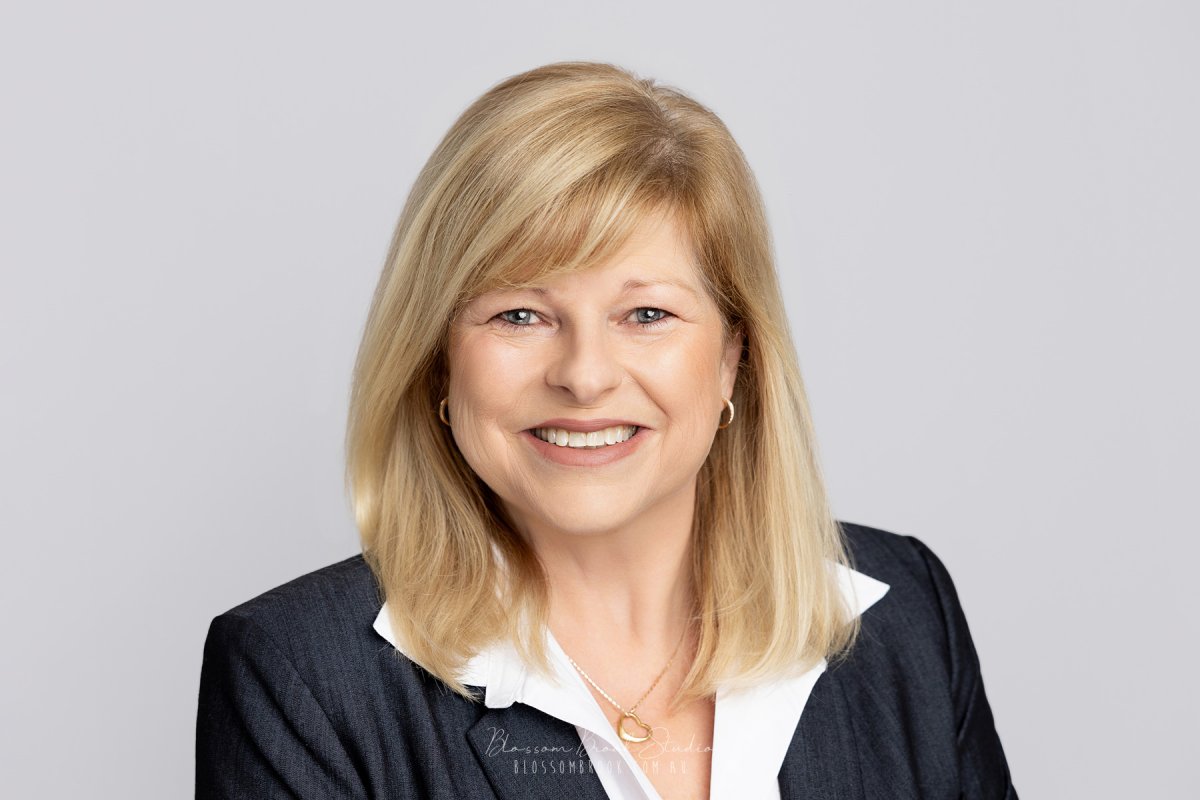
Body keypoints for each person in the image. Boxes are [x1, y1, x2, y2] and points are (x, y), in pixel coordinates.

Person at [195, 61, 1017, 800]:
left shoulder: (905, 612)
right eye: (519, 314)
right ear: (439, 361)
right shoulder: (300, 677)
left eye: (647, 314)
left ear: (733, 356)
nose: (584, 375)